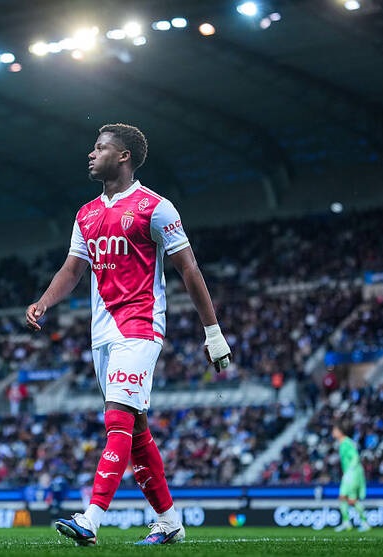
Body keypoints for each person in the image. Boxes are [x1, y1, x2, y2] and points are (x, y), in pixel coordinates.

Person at [26, 123, 231, 546]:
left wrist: (213, 333)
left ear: (123, 156)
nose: (91, 154)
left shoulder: (156, 208)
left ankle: (91, 519)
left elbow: (189, 268)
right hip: (101, 335)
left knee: (116, 418)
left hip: (140, 326)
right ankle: (169, 522)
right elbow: (72, 270)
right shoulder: (85, 214)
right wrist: (44, 302)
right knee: (135, 432)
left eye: (100, 148)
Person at [332, 419, 371, 532]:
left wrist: (349, 472)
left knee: (348, 498)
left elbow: (355, 457)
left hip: (352, 474)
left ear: (340, 431)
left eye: (334, 430)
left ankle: (362, 522)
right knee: (346, 498)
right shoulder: (343, 443)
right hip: (351, 473)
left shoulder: (346, 443)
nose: (333, 432)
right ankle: (349, 522)